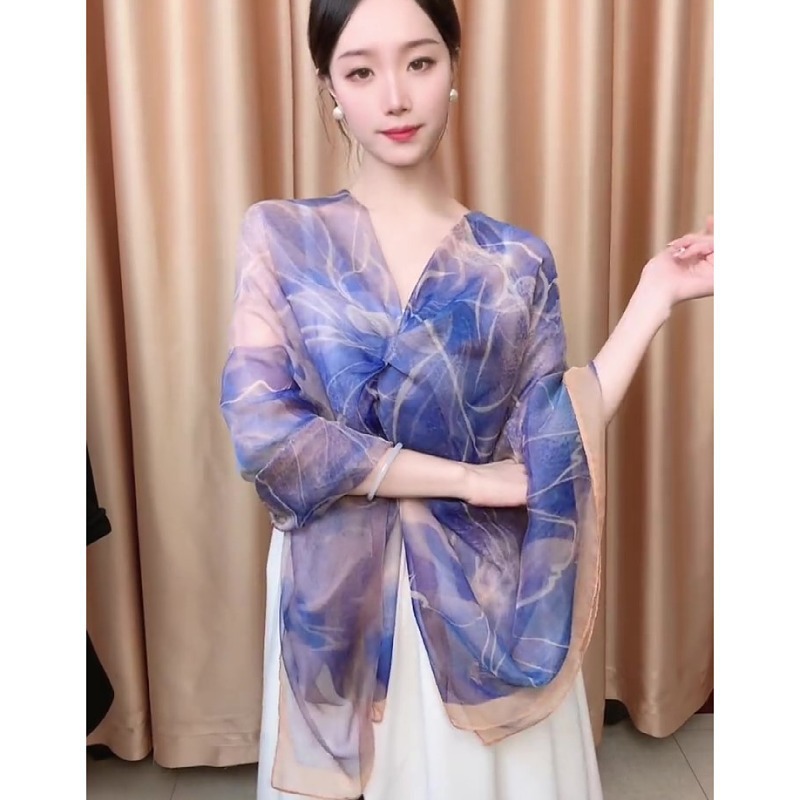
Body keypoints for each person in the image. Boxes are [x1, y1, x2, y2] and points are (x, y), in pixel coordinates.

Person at [220, 1, 713, 798]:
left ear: (453, 66)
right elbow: (265, 433)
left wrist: (655, 295)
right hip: (336, 594)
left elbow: (550, 433)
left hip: (480, 596)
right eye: (360, 71)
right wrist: (468, 479)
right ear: (330, 89)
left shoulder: (515, 261)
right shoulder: (281, 237)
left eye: (419, 62)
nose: (395, 96)